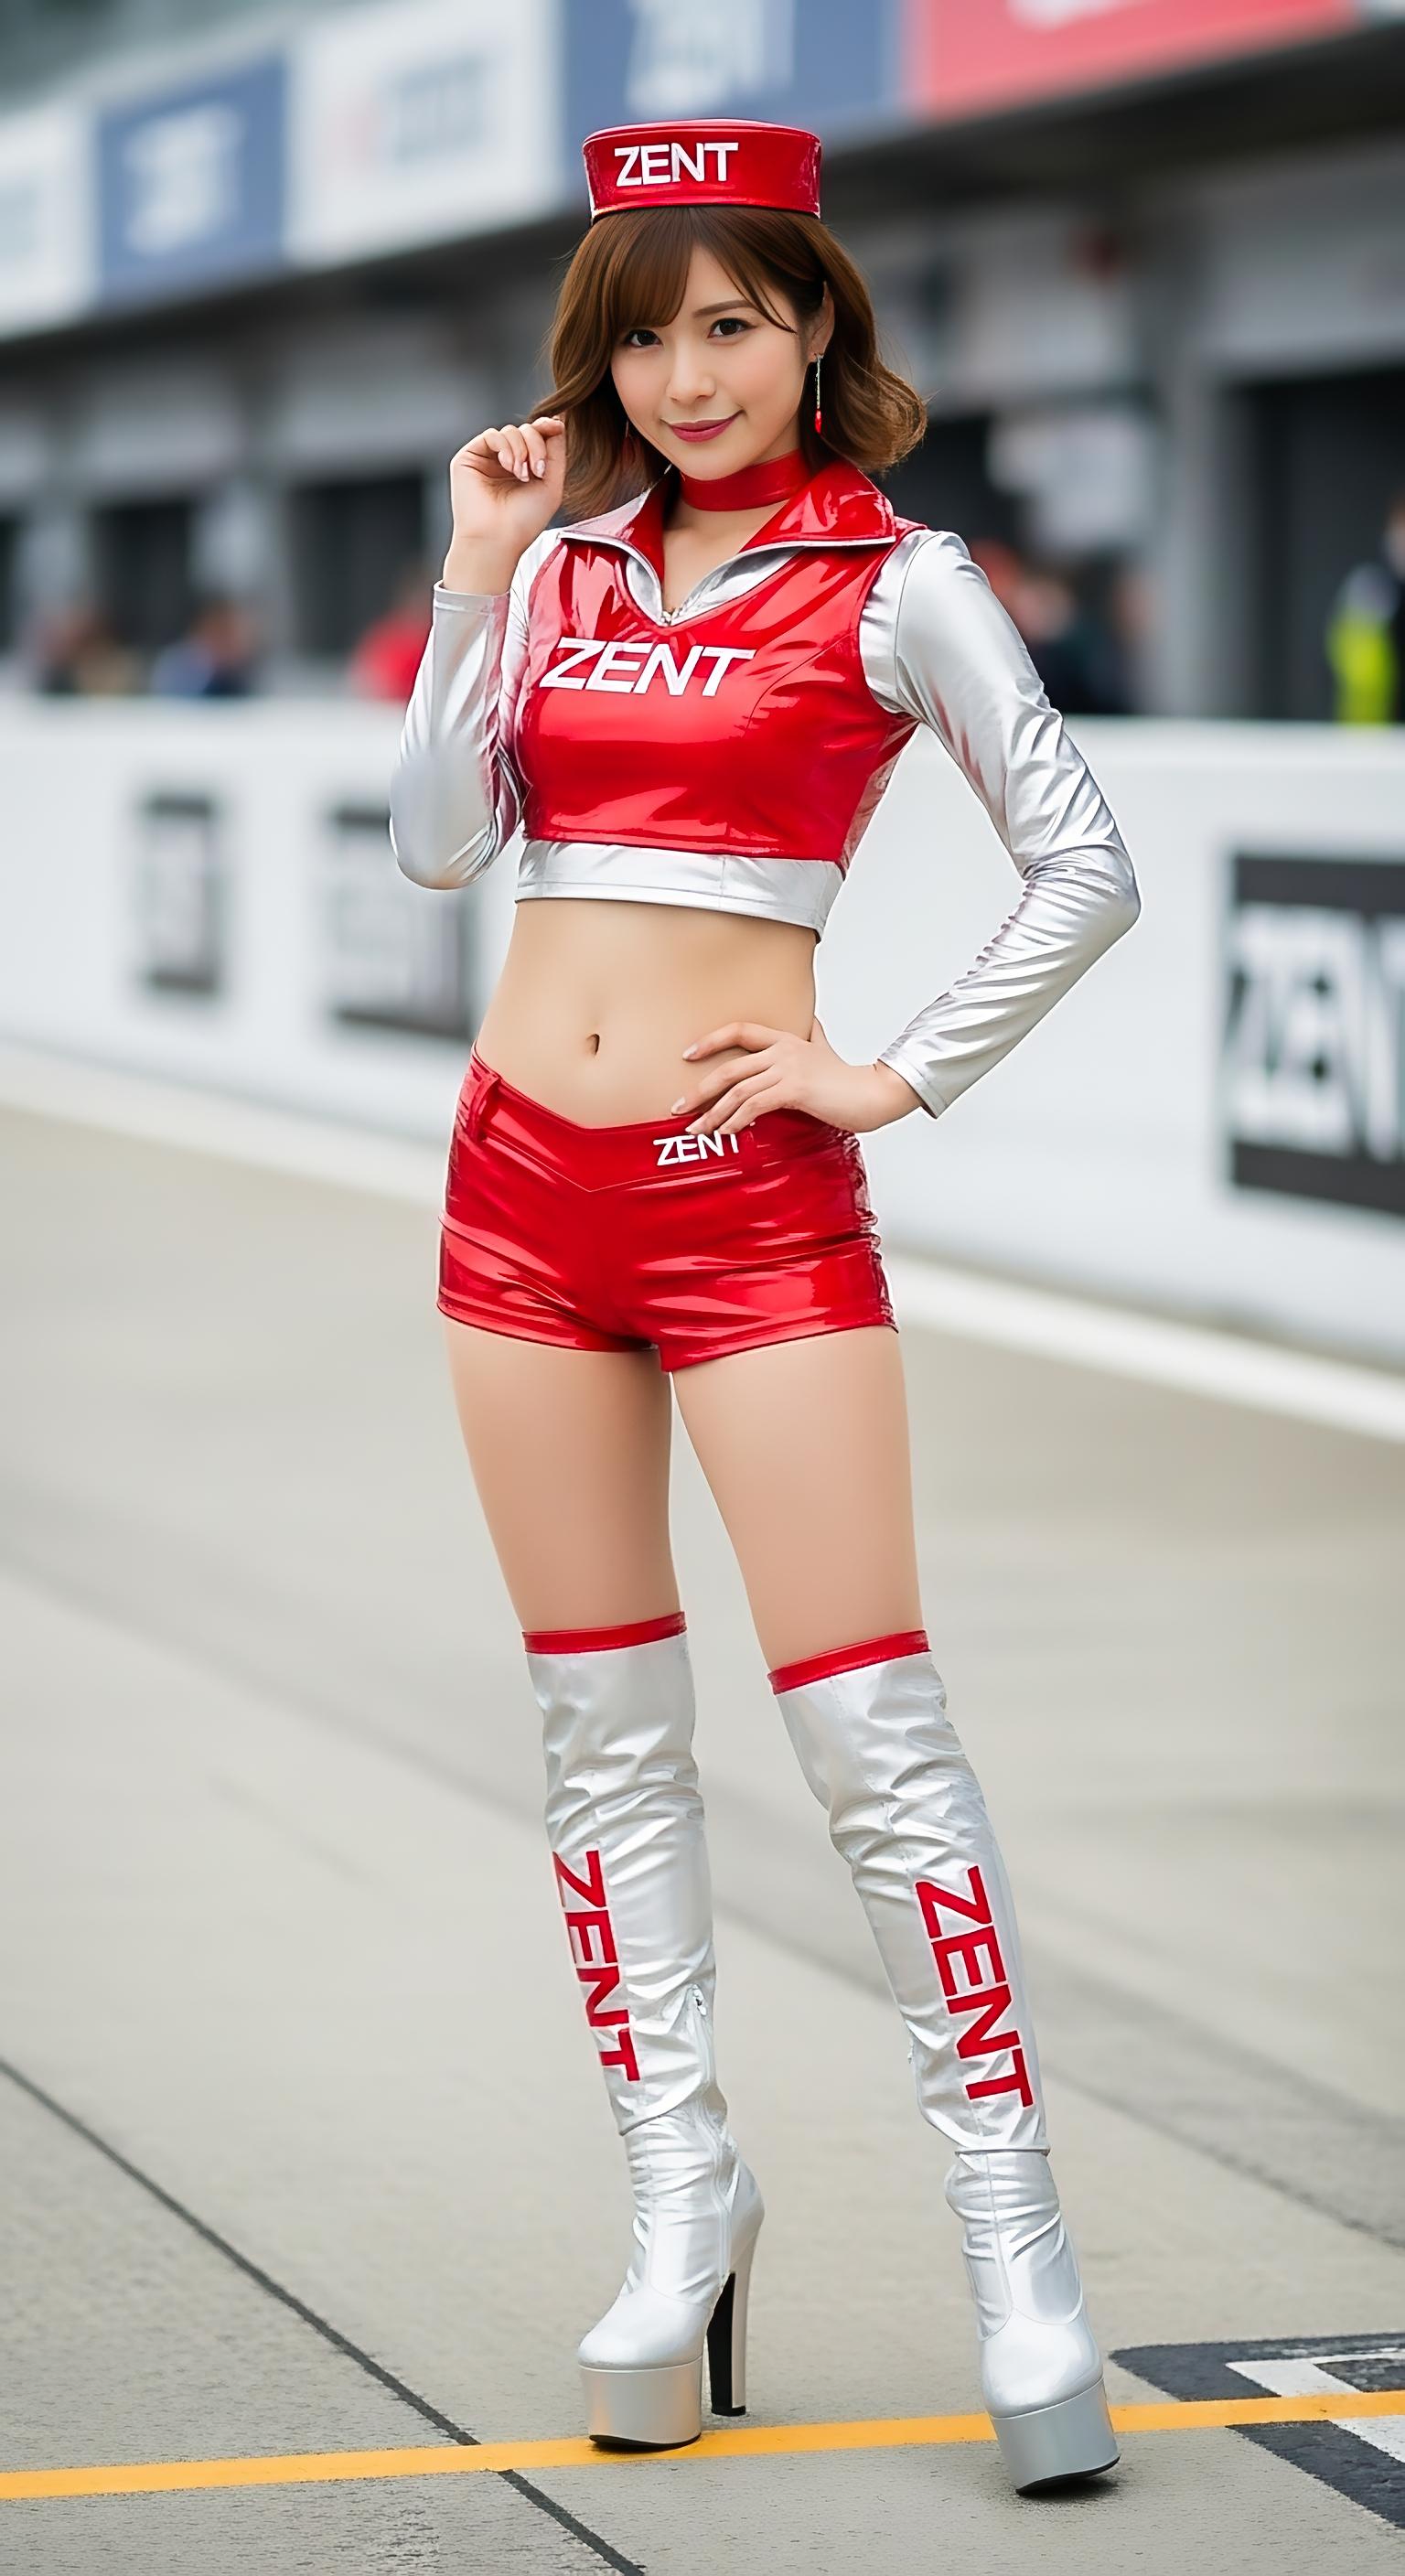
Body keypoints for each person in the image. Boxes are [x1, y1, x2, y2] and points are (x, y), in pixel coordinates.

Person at [390, 117, 1141, 2493]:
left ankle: (1016, 2249)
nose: (687, 375)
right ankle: (679, 2198)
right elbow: (437, 842)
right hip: (519, 1194)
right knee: (601, 1732)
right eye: (644, 335)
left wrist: (887, 1075)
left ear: (818, 326)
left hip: (754, 1209)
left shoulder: (903, 581)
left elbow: (1083, 862)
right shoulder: (557, 562)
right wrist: (474, 571)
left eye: (732, 321)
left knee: (871, 1736)